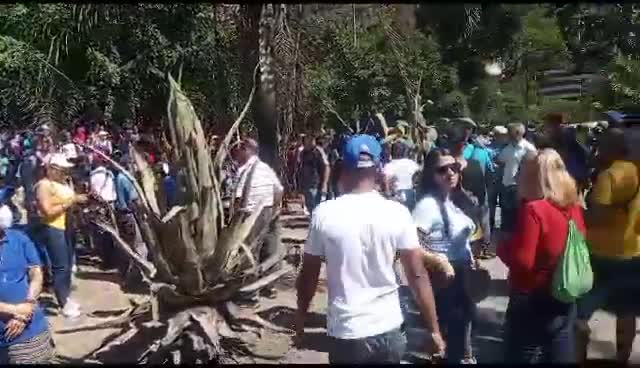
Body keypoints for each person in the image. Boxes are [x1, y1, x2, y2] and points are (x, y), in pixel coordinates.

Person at [295, 135, 445, 364]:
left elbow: (309, 276)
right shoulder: (397, 213)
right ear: (378, 169)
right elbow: (417, 274)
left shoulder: (324, 214)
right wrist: (434, 329)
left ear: (343, 167)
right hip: (389, 327)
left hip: (347, 331)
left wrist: (301, 317)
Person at [498, 149, 584, 363]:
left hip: (532, 294)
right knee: (560, 347)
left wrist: (503, 249)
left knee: (522, 353)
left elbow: (523, 262)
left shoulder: (534, 209)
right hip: (565, 289)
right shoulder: (574, 208)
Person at [576, 128, 640, 363]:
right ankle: (622, 358)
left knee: (580, 312)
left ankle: (578, 356)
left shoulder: (609, 176)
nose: (598, 150)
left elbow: (598, 218)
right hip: (633, 251)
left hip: (601, 254)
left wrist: (577, 209)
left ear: (612, 149)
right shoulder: (636, 171)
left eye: (601, 146)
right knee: (627, 310)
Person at [412, 148, 478, 363]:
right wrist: (437, 260)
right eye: (443, 169)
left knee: (459, 340)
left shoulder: (452, 200)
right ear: (431, 174)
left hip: (462, 276)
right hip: (444, 280)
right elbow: (409, 247)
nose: (450, 173)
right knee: (451, 344)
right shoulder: (427, 205)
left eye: (454, 168)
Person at [35, 153, 87, 318]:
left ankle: (66, 296)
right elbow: (47, 211)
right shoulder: (44, 185)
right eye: (62, 170)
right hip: (54, 227)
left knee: (68, 264)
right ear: (52, 169)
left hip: (68, 227)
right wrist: (70, 202)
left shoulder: (62, 183)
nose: (65, 173)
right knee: (60, 266)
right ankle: (63, 302)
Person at [0, 205, 54, 364]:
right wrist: (16, 310)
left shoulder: (19, 238)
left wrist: (29, 305)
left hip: (28, 330)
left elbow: (35, 272)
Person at [234, 138, 284, 301]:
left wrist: (234, 220)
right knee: (270, 249)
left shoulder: (244, 170)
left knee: (250, 252)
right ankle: (269, 287)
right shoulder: (265, 168)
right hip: (268, 211)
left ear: (247, 150)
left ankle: (250, 293)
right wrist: (275, 209)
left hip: (251, 214)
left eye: (239, 149)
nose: (236, 153)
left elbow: (238, 197)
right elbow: (279, 189)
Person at [496, 123, 537, 233]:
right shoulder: (507, 147)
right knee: (506, 217)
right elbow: (500, 161)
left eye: (510, 132)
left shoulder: (529, 149)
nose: (508, 134)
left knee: (518, 218)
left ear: (518, 133)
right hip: (506, 186)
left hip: (520, 188)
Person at [297, 135, 330, 216]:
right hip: (306, 184)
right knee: (309, 206)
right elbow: (300, 168)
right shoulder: (302, 152)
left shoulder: (318, 151)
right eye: (306, 140)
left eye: (310, 139)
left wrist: (324, 183)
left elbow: (326, 167)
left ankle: (316, 223)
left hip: (316, 183)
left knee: (315, 206)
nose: (308, 141)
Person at [383, 141, 420, 210]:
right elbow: (418, 175)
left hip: (396, 195)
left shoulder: (389, 165)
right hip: (410, 194)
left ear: (392, 152)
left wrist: (387, 195)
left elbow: (386, 180)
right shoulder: (412, 164)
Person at [488, 126, 508, 233]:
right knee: (491, 204)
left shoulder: (508, 148)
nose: (505, 137)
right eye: (502, 135)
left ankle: (504, 227)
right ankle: (490, 227)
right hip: (492, 181)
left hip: (505, 181)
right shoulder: (488, 149)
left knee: (505, 204)